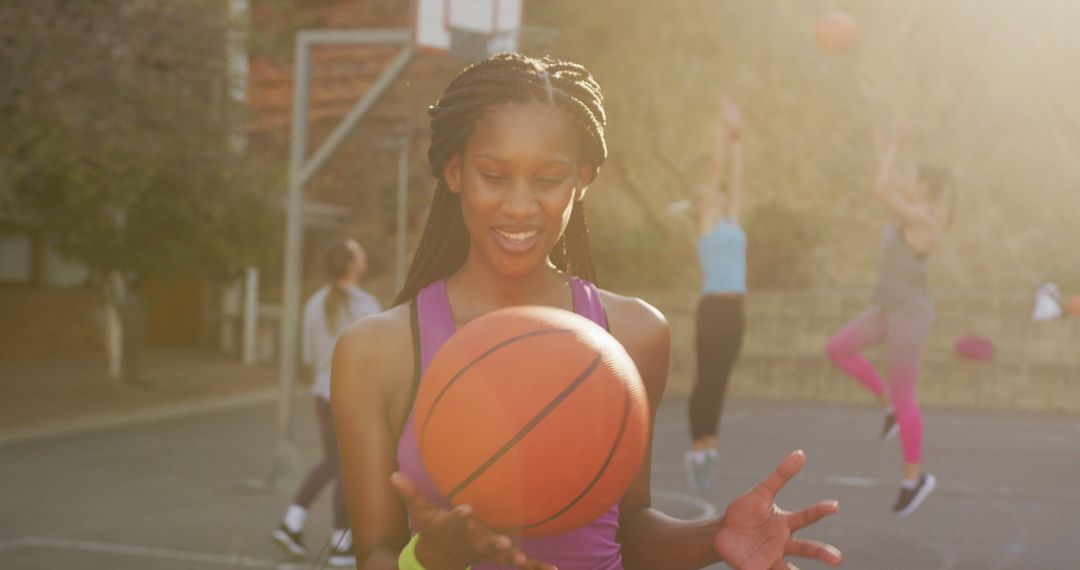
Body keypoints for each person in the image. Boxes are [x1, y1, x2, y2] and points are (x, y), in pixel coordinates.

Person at [332, 53, 842, 570]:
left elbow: (628, 528)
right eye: (494, 174)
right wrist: (428, 560)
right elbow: (374, 551)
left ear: (582, 178)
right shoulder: (378, 350)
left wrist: (716, 536)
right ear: (455, 171)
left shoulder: (633, 335)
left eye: (549, 179)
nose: (520, 205)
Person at [825, 118, 954, 517]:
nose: (906, 180)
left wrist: (893, 148)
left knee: (906, 395)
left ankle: (914, 479)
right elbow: (888, 176)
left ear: (924, 188)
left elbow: (881, 187)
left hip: (910, 316)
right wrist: (882, 142)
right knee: (838, 348)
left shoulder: (922, 219)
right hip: (888, 310)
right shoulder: (911, 207)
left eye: (912, 178)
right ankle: (886, 404)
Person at [273, 239, 381, 566]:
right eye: (359, 251)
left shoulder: (313, 304)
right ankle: (340, 542)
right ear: (352, 264)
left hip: (323, 394)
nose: (364, 254)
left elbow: (308, 354)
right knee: (345, 466)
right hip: (352, 397)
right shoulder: (366, 306)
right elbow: (375, 356)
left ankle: (292, 523)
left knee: (333, 463)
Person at [686, 95, 747, 492]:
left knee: (721, 381)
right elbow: (716, 171)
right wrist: (718, 132)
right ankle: (697, 450)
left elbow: (736, 176)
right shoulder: (708, 222)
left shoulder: (733, 218)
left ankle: (712, 446)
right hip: (711, 310)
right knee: (706, 379)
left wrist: (737, 130)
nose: (719, 193)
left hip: (737, 309)